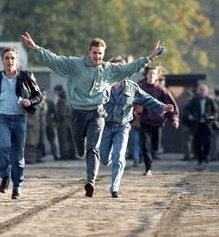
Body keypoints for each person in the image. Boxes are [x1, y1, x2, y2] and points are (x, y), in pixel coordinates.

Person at [21, 31, 162, 197]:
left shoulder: (109, 70)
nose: (97, 56)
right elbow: (54, 59)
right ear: (89, 52)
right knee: (80, 148)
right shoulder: (75, 65)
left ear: (104, 54)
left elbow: (130, 68)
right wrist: (36, 48)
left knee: (93, 148)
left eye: (100, 53)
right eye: (94, 53)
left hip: (97, 112)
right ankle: (80, 149)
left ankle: (90, 181)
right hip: (78, 113)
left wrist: (149, 57)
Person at [99, 57, 174, 198]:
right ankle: (107, 158)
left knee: (119, 157)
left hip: (122, 127)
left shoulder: (131, 87)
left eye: (120, 68)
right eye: (114, 68)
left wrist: (163, 107)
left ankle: (114, 188)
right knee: (104, 159)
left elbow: (147, 99)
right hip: (106, 127)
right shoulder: (102, 85)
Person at [0, 47, 43, 199]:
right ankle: (4, 175)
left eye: (12, 58)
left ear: (17, 60)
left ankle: (17, 186)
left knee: (17, 156)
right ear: (2, 61)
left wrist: (30, 101)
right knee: (2, 146)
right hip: (3, 118)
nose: (10, 61)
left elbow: (38, 95)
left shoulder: (26, 76)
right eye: (6, 58)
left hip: (20, 118)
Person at [139, 66, 180, 175]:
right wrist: (135, 111)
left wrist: (174, 119)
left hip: (158, 121)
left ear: (157, 76)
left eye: (154, 74)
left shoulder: (162, 89)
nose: (151, 75)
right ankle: (148, 168)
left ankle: (153, 155)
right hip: (144, 120)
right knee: (144, 144)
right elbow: (133, 102)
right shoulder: (141, 88)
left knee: (155, 147)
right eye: (150, 73)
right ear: (146, 75)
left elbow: (171, 106)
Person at [182, 85, 218, 165]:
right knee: (197, 142)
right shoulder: (194, 100)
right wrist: (190, 115)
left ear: (207, 92)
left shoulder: (210, 100)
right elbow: (186, 109)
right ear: (198, 91)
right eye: (201, 90)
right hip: (197, 124)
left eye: (204, 90)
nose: (202, 92)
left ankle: (206, 156)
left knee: (207, 142)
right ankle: (200, 159)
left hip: (207, 124)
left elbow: (215, 111)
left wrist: (212, 117)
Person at [54, 85, 76, 160]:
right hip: (71, 122)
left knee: (63, 139)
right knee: (71, 139)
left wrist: (56, 121)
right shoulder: (69, 98)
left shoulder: (61, 99)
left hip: (63, 122)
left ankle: (65, 154)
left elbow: (60, 113)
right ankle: (72, 154)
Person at [45, 91, 60, 160]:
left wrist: (56, 121)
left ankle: (55, 154)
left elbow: (55, 112)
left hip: (48, 122)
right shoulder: (37, 101)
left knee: (52, 139)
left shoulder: (50, 102)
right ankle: (38, 156)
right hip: (40, 122)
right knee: (38, 140)